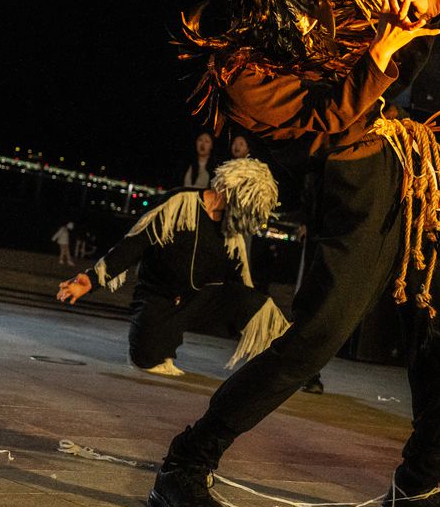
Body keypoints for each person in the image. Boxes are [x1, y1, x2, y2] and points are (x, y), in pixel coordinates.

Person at [151, 0, 440, 507]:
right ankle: (187, 462)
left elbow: (397, 72)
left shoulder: (327, 22)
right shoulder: (240, 71)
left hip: (424, 174)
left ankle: (417, 485)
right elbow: (328, 120)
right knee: (313, 340)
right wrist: (384, 46)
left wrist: (418, 19)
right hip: (357, 188)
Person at [57, 159, 287, 377]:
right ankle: (157, 340)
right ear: (232, 188)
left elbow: (242, 281)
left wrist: (261, 319)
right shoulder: (180, 203)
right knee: (146, 358)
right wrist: (91, 280)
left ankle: (293, 357)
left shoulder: (231, 228)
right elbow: (133, 243)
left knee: (258, 304)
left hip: (201, 299)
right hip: (160, 297)